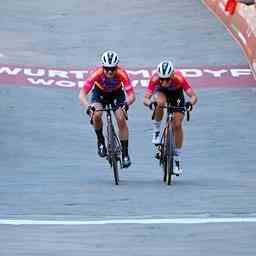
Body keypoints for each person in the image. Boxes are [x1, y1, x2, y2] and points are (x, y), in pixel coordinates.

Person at [79, 50, 136, 168]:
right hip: (100, 94)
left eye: (113, 69)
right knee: (96, 115)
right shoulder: (97, 74)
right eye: (107, 68)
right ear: (102, 67)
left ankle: (125, 154)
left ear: (117, 67)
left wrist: (126, 104)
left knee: (121, 118)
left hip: (116, 94)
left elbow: (132, 96)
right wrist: (88, 107)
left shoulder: (122, 74)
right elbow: (82, 94)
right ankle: (100, 141)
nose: (110, 71)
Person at [143, 60, 198, 175]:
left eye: (167, 79)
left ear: (172, 75)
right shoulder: (155, 79)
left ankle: (177, 160)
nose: (164, 82)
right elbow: (145, 99)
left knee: (177, 125)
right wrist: (151, 103)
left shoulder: (179, 78)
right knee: (160, 103)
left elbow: (193, 96)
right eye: (161, 79)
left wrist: (190, 103)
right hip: (161, 93)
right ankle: (157, 132)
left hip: (176, 95)